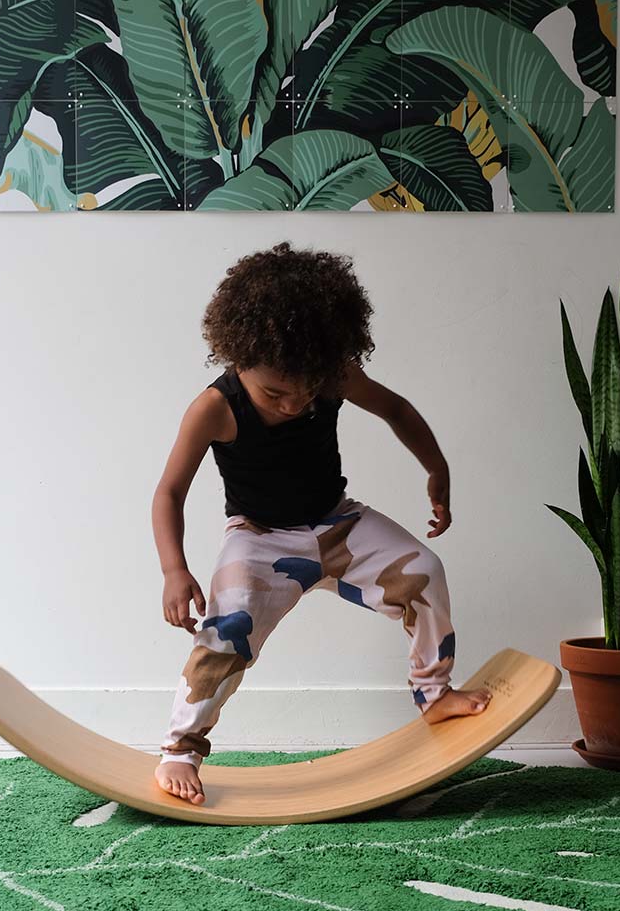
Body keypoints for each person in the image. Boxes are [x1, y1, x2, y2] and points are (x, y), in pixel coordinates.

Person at [151, 242, 491, 806]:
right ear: (237, 360)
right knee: (226, 630)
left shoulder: (332, 377)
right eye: (274, 393)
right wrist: (173, 568)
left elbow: (397, 410)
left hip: (337, 523)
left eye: (304, 393)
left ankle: (434, 694)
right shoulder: (214, 407)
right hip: (259, 538)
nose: (291, 405)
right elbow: (169, 491)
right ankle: (181, 747)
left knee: (425, 573)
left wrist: (437, 468)